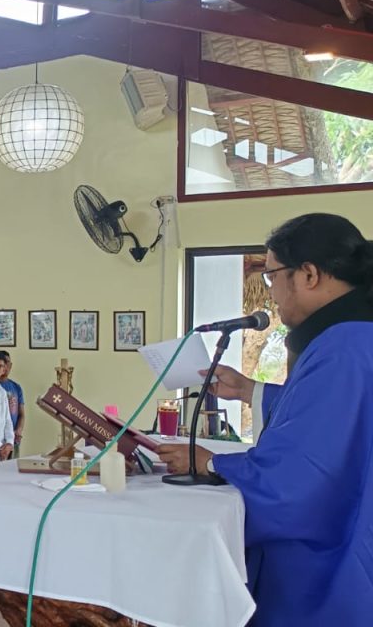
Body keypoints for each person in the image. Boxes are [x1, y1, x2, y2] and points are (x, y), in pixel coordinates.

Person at [156, 213, 373, 625]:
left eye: (272, 275)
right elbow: (337, 427)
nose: (270, 292)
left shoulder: (342, 349)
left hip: (333, 568)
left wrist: (210, 462)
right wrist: (251, 391)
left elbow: (297, 479)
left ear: (308, 274)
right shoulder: (356, 335)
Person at [0, 351, 25, 452]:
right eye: (2, 363)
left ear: (11, 365)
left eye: (7, 363)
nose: (5, 366)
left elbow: (21, 414)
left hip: (13, 439)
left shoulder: (16, 387)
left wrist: (18, 430)